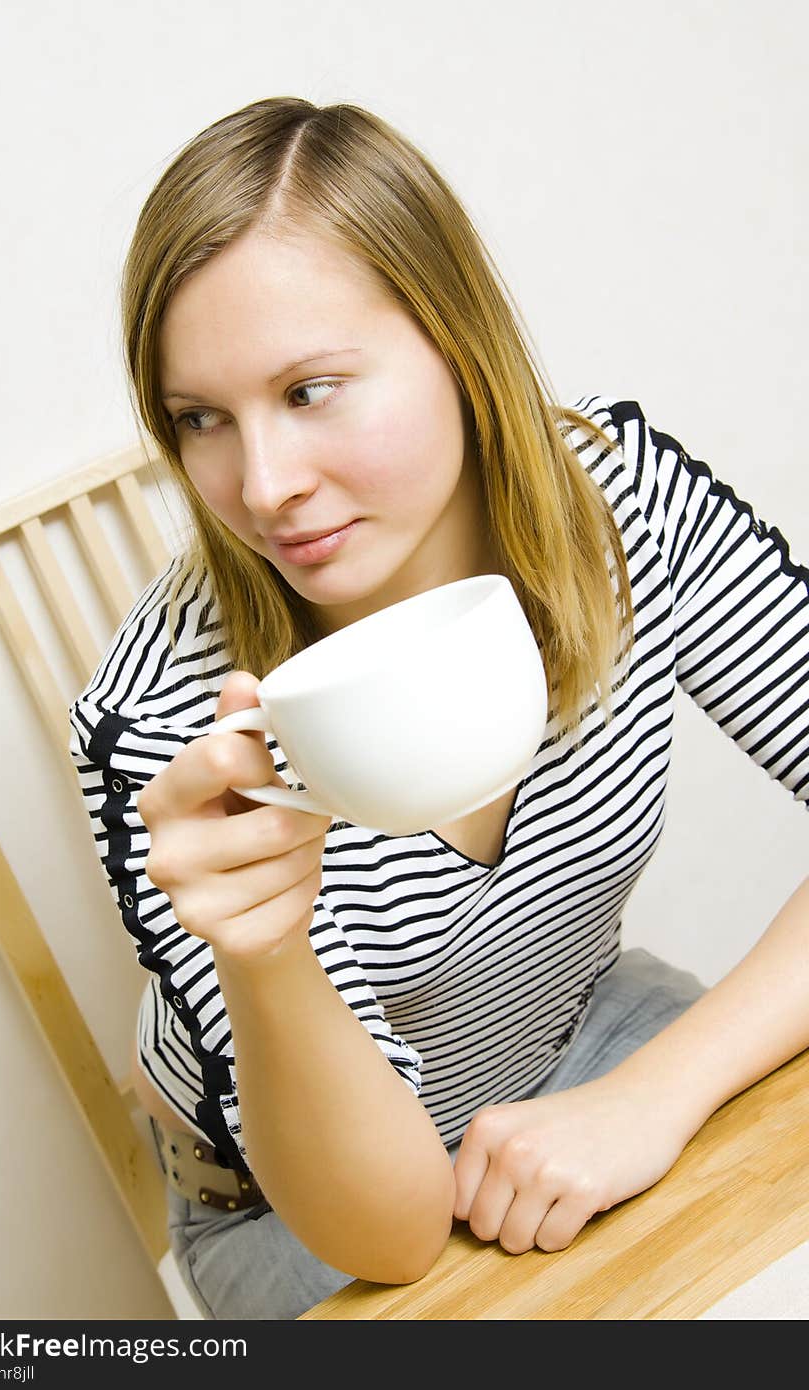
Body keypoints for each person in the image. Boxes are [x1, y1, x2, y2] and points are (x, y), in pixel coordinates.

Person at [69, 96, 809, 1321]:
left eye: (310, 390)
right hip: (298, 1197)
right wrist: (262, 958)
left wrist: (651, 1092)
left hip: (586, 1038)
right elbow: (392, 1232)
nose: (261, 487)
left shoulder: (618, 510)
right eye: (201, 419)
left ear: (458, 343)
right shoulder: (165, 718)